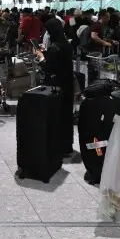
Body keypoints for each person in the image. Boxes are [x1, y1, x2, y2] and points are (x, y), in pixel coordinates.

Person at [35, 18, 75, 156]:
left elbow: (48, 68)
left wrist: (40, 57)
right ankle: (66, 146)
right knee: (66, 116)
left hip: (56, 86)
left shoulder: (55, 47)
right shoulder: (66, 45)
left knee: (56, 116)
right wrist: (46, 53)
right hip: (67, 85)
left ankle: (57, 146)